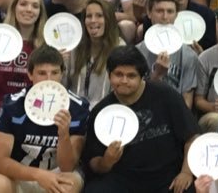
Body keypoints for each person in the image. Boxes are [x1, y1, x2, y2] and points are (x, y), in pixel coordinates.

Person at [83, 45, 198, 193]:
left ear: (142, 76)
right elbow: (93, 162)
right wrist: (106, 161)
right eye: (118, 74)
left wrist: (186, 172)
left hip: (166, 178)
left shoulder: (166, 95)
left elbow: (192, 137)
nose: (124, 80)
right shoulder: (101, 111)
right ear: (109, 75)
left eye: (131, 75)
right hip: (122, 180)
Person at [0, 45, 87, 193]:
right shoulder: (12, 104)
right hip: (19, 174)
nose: (49, 79)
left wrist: (63, 134)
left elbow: (68, 167)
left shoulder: (78, 107)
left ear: (62, 73)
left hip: (56, 174)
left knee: (69, 184)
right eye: (42, 73)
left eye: (55, 73)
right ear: (30, 74)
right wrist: (38, 175)